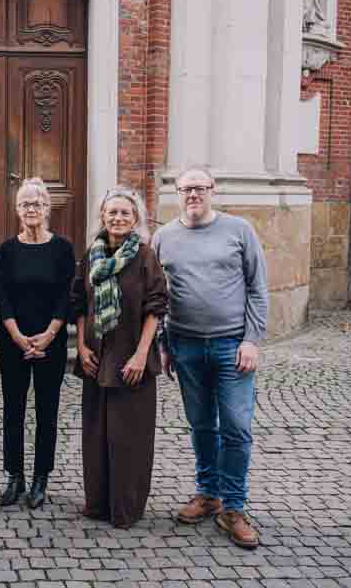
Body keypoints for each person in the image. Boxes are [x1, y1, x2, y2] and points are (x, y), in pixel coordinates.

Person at [152, 165, 268, 549]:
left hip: (231, 346)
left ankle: (234, 508)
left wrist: (251, 340)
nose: (193, 195)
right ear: (177, 193)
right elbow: (160, 296)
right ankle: (208, 493)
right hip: (185, 346)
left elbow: (257, 288)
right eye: (186, 189)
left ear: (213, 190)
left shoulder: (239, 231)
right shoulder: (163, 237)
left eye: (200, 188)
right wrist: (164, 345)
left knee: (236, 426)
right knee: (201, 424)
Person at [71, 186, 168, 529]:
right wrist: (81, 346)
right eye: (112, 212)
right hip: (97, 359)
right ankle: (97, 503)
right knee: (96, 435)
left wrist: (142, 354)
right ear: (102, 216)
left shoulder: (145, 257)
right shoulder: (91, 255)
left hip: (131, 358)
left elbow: (156, 306)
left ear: (136, 219)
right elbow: (79, 304)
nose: (118, 218)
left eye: (125, 213)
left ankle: (124, 508)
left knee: (129, 438)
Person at [0, 178, 76, 508]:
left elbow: (66, 294)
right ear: (16, 210)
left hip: (50, 342)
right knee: (13, 411)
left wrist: (50, 335)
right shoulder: (8, 249)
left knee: (47, 411)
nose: (32, 209)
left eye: (37, 203)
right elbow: (2, 295)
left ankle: (41, 477)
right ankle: (15, 476)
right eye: (25, 204)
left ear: (47, 208)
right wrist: (15, 335)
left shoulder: (62, 248)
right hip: (13, 340)